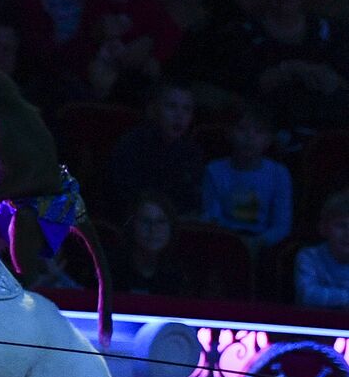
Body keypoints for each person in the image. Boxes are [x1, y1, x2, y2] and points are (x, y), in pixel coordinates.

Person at [236, 0, 349, 136]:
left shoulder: (326, 32)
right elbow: (248, 84)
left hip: (324, 128)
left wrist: (331, 80)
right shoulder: (247, 33)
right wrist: (292, 69)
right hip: (266, 132)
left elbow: (342, 78)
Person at [81, 0, 180, 103]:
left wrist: (156, 57)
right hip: (102, 71)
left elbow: (170, 32)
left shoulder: (147, 5)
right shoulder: (95, 3)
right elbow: (86, 36)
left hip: (137, 75)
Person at [201, 103, 292, 249]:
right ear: (229, 133)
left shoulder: (279, 173)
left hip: (262, 242)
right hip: (224, 239)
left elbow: (281, 225)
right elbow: (212, 216)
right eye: (242, 129)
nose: (250, 137)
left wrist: (257, 243)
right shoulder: (214, 170)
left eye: (259, 131)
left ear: (268, 140)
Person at [108, 80, 204, 216]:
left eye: (186, 109)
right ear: (153, 109)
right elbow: (123, 197)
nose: (179, 116)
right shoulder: (131, 146)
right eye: (172, 107)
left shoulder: (192, 153)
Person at [110, 192, 187, 296]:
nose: (153, 229)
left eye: (161, 221)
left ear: (171, 228)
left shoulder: (178, 275)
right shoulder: (111, 270)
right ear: (132, 226)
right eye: (145, 221)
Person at [295, 190, 349, 309]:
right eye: (341, 226)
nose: (347, 234)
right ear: (323, 228)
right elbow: (307, 296)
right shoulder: (309, 257)